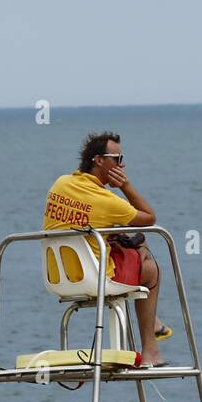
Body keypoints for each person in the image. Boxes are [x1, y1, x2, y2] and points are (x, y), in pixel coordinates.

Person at [42, 131, 168, 367]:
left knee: (120, 238)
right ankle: (151, 348)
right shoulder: (107, 201)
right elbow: (149, 217)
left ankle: (154, 322)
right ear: (99, 160)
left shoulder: (60, 184)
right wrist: (126, 186)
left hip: (59, 278)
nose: (123, 164)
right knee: (149, 264)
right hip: (98, 279)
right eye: (118, 159)